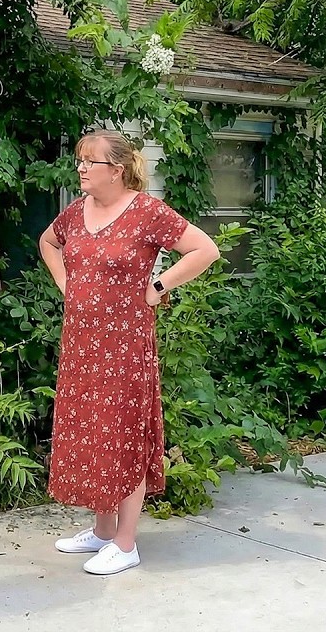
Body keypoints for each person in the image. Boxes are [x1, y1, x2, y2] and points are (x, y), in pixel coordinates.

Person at [38, 129, 220, 576]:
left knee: (123, 435)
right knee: (93, 432)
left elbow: (205, 249)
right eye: (80, 160)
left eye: (90, 161)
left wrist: (159, 285)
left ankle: (125, 542)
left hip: (125, 347)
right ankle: (103, 532)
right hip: (81, 346)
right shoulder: (76, 211)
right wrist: (65, 283)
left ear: (116, 170)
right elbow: (48, 242)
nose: (81, 168)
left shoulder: (146, 212)